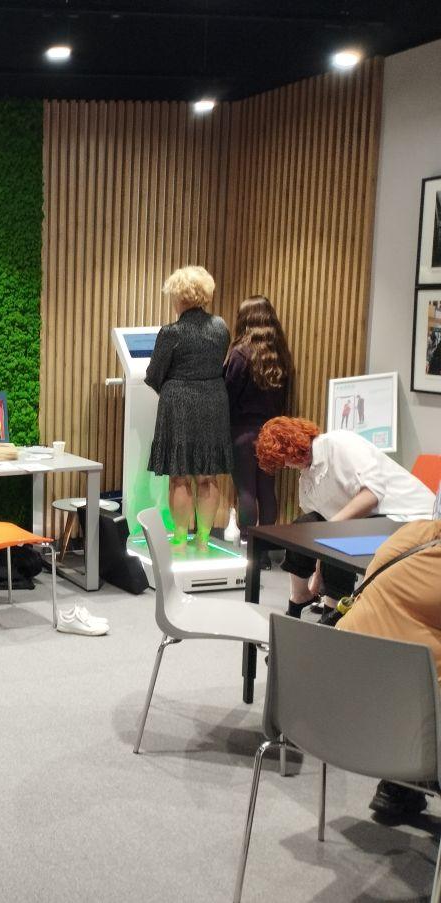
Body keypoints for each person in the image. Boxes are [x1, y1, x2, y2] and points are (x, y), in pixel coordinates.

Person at [255, 416, 436, 617]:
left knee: (338, 537)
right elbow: (318, 529)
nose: (286, 466)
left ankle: (334, 613)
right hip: (372, 518)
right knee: (303, 527)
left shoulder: (340, 444)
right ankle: (300, 597)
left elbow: (371, 495)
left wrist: (330, 529)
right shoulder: (307, 476)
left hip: (408, 516)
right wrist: (317, 575)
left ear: (292, 447)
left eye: (285, 459)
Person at [335, 520, 441, 822]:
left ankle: (399, 786)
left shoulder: (410, 534)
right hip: (411, 719)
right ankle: (410, 777)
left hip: (333, 710)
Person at [145, 266, 233, 551]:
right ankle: (204, 541)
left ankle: (181, 539)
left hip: (179, 405)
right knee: (208, 476)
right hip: (214, 403)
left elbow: (154, 374)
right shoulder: (220, 327)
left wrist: (173, 387)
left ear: (179, 296)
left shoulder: (171, 332)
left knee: (179, 476)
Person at [224, 295, 293, 544]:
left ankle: (247, 541)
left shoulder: (240, 354)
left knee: (246, 490)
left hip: (243, 432)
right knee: (266, 489)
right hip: (272, 432)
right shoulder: (280, 355)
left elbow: (228, 393)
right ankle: (266, 543)